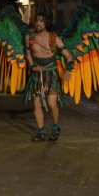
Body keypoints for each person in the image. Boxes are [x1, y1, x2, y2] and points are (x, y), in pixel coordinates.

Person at [24, 12, 74, 142]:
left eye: (41, 21)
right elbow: (28, 54)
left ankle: (56, 127)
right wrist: (31, 66)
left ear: (46, 23)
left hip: (51, 74)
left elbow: (68, 57)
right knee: (36, 104)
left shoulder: (54, 38)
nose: (38, 23)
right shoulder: (29, 37)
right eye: (37, 21)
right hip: (36, 75)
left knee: (52, 104)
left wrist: (68, 70)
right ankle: (41, 132)